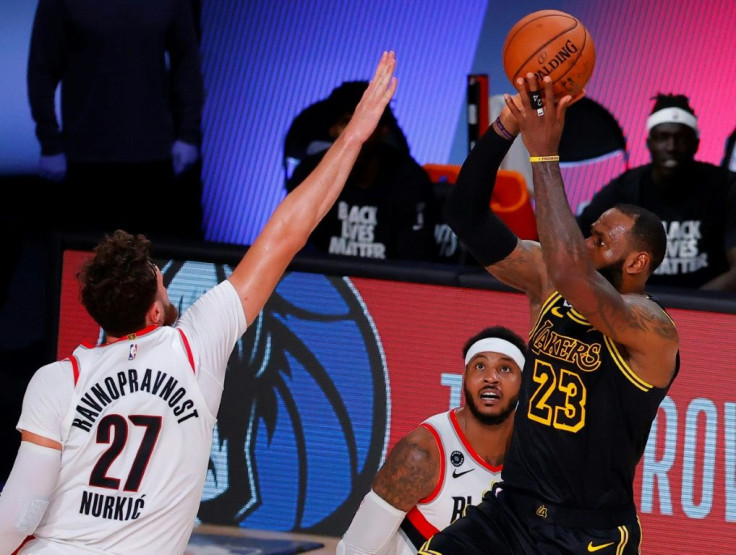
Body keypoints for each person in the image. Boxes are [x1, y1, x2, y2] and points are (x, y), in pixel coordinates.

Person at [0, 51, 398, 555]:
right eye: (160, 282)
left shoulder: (57, 380)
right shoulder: (194, 346)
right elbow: (286, 235)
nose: (167, 287)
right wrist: (353, 137)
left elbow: (20, 514)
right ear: (152, 313)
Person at [421, 75, 680, 554]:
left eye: (600, 241)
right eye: (588, 232)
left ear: (637, 263)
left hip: (588, 535)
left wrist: (543, 153)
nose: (584, 242)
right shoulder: (549, 278)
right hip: (510, 513)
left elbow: (572, 273)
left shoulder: (653, 330)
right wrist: (506, 126)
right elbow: (464, 214)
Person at [337, 326, 527, 554]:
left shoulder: (533, 454)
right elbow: (355, 549)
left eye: (505, 369)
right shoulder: (421, 454)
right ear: (465, 378)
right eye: (479, 366)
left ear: (525, 384)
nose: (491, 378)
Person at [27, 0, 205, 240]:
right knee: (87, 264)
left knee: (150, 263)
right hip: (86, 162)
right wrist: (50, 144)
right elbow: (42, 70)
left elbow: (186, 63)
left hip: (155, 159)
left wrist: (188, 134)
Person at [577, 93, 736, 291]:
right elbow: (576, 248)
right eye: (663, 137)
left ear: (696, 144)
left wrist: (693, 306)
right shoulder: (625, 190)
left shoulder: (726, 187)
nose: (671, 147)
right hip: (636, 308)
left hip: (706, 308)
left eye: (681, 138)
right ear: (649, 143)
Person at [285, 81, 438, 262]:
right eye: (346, 123)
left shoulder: (409, 180)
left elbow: (415, 263)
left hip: (387, 285)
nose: (355, 134)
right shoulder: (310, 174)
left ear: (383, 129)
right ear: (333, 129)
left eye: (365, 125)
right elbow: (288, 247)